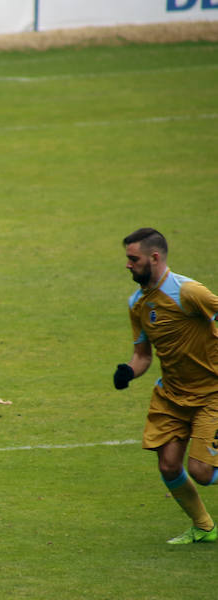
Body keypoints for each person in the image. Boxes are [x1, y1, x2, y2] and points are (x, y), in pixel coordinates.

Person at [114, 228, 218, 544]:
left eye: (134, 259)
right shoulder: (138, 303)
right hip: (172, 394)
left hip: (211, 394)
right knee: (169, 465)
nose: (128, 265)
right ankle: (203, 528)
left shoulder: (189, 292)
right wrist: (128, 372)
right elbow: (142, 356)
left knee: (201, 471)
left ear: (154, 257)